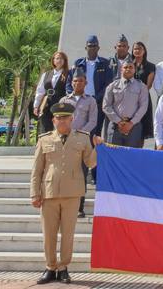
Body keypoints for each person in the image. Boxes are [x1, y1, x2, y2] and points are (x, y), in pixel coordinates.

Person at [30, 102, 101, 285]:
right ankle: (50, 267)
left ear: (71, 119)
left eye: (65, 118)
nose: (62, 121)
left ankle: (63, 269)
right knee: (49, 234)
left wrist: (97, 148)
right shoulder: (44, 139)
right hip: (49, 192)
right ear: (53, 121)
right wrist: (34, 193)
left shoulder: (83, 138)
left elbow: (90, 163)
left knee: (68, 233)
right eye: (58, 119)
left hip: (72, 192)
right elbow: (37, 169)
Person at [57, 69, 97, 218]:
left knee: (80, 176)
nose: (77, 83)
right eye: (74, 81)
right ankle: (63, 206)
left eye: (80, 81)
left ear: (85, 83)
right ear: (71, 83)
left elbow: (92, 121)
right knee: (64, 175)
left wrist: (77, 135)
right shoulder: (64, 100)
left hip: (82, 143)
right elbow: (59, 120)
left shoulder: (90, 101)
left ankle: (79, 207)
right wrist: (68, 134)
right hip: (65, 143)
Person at [66, 35, 114, 149]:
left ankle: (93, 164)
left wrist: (96, 98)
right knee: (76, 130)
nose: (92, 48)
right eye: (90, 46)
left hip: (96, 103)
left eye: (94, 46)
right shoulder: (78, 63)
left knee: (95, 134)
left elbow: (108, 85)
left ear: (98, 48)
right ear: (86, 48)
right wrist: (71, 96)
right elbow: (69, 82)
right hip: (79, 102)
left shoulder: (105, 63)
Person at [102, 60, 149, 147]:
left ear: (134, 70)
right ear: (121, 70)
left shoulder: (141, 86)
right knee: (114, 155)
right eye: (125, 67)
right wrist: (119, 121)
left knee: (131, 156)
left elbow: (143, 107)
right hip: (115, 125)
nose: (128, 69)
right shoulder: (113, 85)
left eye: (131, 67)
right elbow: (106, 106)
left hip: (133, 126)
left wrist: (131, 123)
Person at [34, 52, 70, 134]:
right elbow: (40, 91)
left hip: (60, 102)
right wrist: (36, 105)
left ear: (65, 61)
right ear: (53, 61)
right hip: (47, 103)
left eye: (62, 58)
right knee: (45, 126)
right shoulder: (46, 74)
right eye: (57, 58)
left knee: (60, 126)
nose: (59, 60)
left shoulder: (69, 73)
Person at [131, 41, 155, 147]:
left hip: (143, 99)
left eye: (140, 48)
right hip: (129, 99)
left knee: (142, 129)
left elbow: (148, 85)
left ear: (144, 51)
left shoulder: (150, 66)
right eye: (135, 48)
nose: (138, 51)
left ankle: (139, 151)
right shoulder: (129, 65)